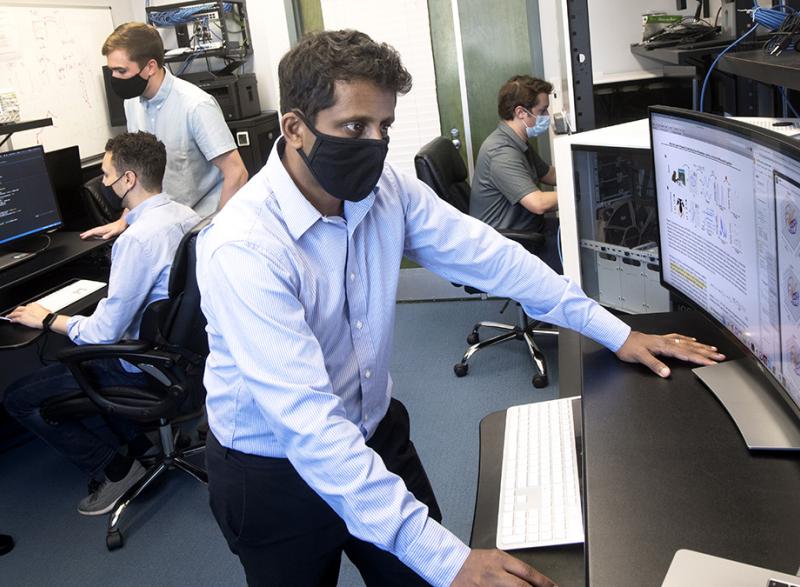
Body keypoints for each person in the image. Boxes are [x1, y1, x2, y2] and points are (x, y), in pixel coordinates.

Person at [196, 30, 724, 587]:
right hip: (275, 475)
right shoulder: (244, 246)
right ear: (295, 128)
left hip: (372, 432)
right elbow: (306, 424)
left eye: (385, 127)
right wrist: (448, 559)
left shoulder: (385, 192)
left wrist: (617, 333)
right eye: (355, 127)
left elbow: (496, 260)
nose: (375, 144)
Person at [3, 132, 201, 516]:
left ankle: (115, 469)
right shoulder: (185, 216)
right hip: (181, 357)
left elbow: (103, 334)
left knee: (18, 398)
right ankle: (144, 448)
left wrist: (45, 318)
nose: (105, 184)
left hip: (141, 367)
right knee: (69, 350)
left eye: (107, 175)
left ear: (128, 180)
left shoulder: (138, 241)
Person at [81, 22, 247, 240]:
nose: (115, 79)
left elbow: (236, 173)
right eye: (111, 71)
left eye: (121, 71)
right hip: (161, 230)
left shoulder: (195, 105)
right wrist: (124, 220)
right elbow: (139, 175)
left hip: (199, 228)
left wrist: (218, 234)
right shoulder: (131, 103)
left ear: (150, 67)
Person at [470, 75, 561, 272]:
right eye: (542, 111)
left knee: (575, 233)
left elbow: (549, 175)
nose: (547, 116)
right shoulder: (501, 152)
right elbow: (539, 203)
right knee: (577, 259)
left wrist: (588, 177)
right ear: (521, 112)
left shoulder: (517, 142)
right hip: (508, 245)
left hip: (527, 231)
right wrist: (580, 194)